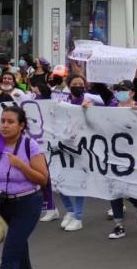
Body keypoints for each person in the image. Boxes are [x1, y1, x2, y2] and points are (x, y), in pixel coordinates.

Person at [0, 106, 49, 268]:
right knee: (19, 250)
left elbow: (43, 179)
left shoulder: (30, 146)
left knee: (10, 256)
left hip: (27, 204)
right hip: (4, 204)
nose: (5, 125)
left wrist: (21, 165)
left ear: (21, 126)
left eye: (10, 122)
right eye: (2, 121)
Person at [57, 74, 102, 231]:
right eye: (75, 83)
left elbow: (104, 115)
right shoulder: (62, 101)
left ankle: (78, 216)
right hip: (63, 145)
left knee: (78, 181)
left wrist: (88, 110)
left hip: (82, 146)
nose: (78, 86)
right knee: (59, 179)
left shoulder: (91, 100)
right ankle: (69, 210)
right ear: (69, 85)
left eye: (81, 84)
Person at [106, 81, 137, 239]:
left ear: (132, 92)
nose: (119, 93)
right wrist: (85, 109)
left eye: (123, 90)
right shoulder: (110, 107)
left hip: (134, 155)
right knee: (114, 188)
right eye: (117, 90)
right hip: (114, 153)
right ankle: (119, 225)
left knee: (129, 187)